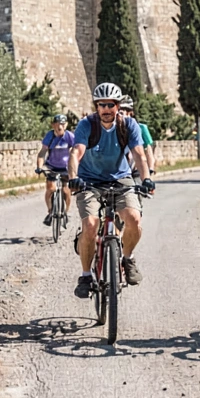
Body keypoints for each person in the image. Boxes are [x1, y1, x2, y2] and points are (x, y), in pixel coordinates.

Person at [69, 83, 153, 298]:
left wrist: (147, 179)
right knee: (90, 225)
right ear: (96, 106)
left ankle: (127, 258)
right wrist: (74, 178)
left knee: (134, 219)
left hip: (120, 179)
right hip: (89, 181)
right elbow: (76, 152)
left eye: (110, 104)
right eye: (101, 105)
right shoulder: (86, 125)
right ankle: (86, 275)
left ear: (118, 105)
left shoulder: (129, 125)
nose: (106, 109)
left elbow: (139, 154)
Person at [35, 114, 75, 226]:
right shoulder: (50, 136)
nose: (60, 127)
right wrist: (39, 167)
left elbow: (74, 152)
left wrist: (75, 167)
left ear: (66, 125)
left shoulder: (69, 137)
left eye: (62, 124)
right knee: (51, 188)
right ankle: (50, 211)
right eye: (57, 124)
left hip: (66, 167)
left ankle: (66, 212)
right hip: (51, 166)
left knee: (66, 191)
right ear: (53, 125)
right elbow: (42, 152)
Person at [119, 96, 157, 175]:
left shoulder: (141, 128)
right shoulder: (114, 129)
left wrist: (150, 169)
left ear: (130, 113)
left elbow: (148, 150)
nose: (120, 115)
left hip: (137, 170)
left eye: (122, 112)